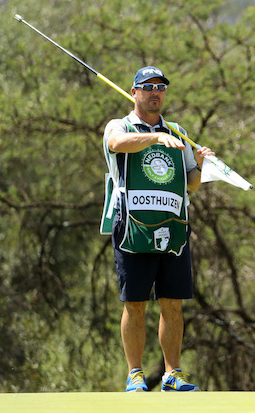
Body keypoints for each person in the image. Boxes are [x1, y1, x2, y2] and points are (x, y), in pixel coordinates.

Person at [101, 66, 213, 392]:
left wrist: (202, 165)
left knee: (173, 302)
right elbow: (116, 144)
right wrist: (153, 137)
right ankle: (135, 374)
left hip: (173, 227)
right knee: (135, 302)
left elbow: (191, 183)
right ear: (134, 92)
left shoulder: (178, 131)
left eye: (160, 87)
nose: (155, 92)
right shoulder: (119, 125)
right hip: (132, 225)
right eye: (147, 87)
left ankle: (172, 374)